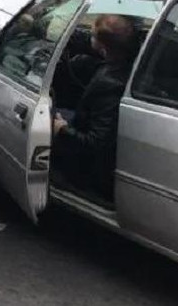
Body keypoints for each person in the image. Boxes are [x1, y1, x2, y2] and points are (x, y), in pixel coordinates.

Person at [52, 14, 138, 202]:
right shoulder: (128, 61)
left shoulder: (108, 83)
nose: (90, 39)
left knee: (45, 116)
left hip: (92, 165)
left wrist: (61, 129)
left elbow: (96, 142)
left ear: (101, 46)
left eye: (93, 36)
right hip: (97, 131)